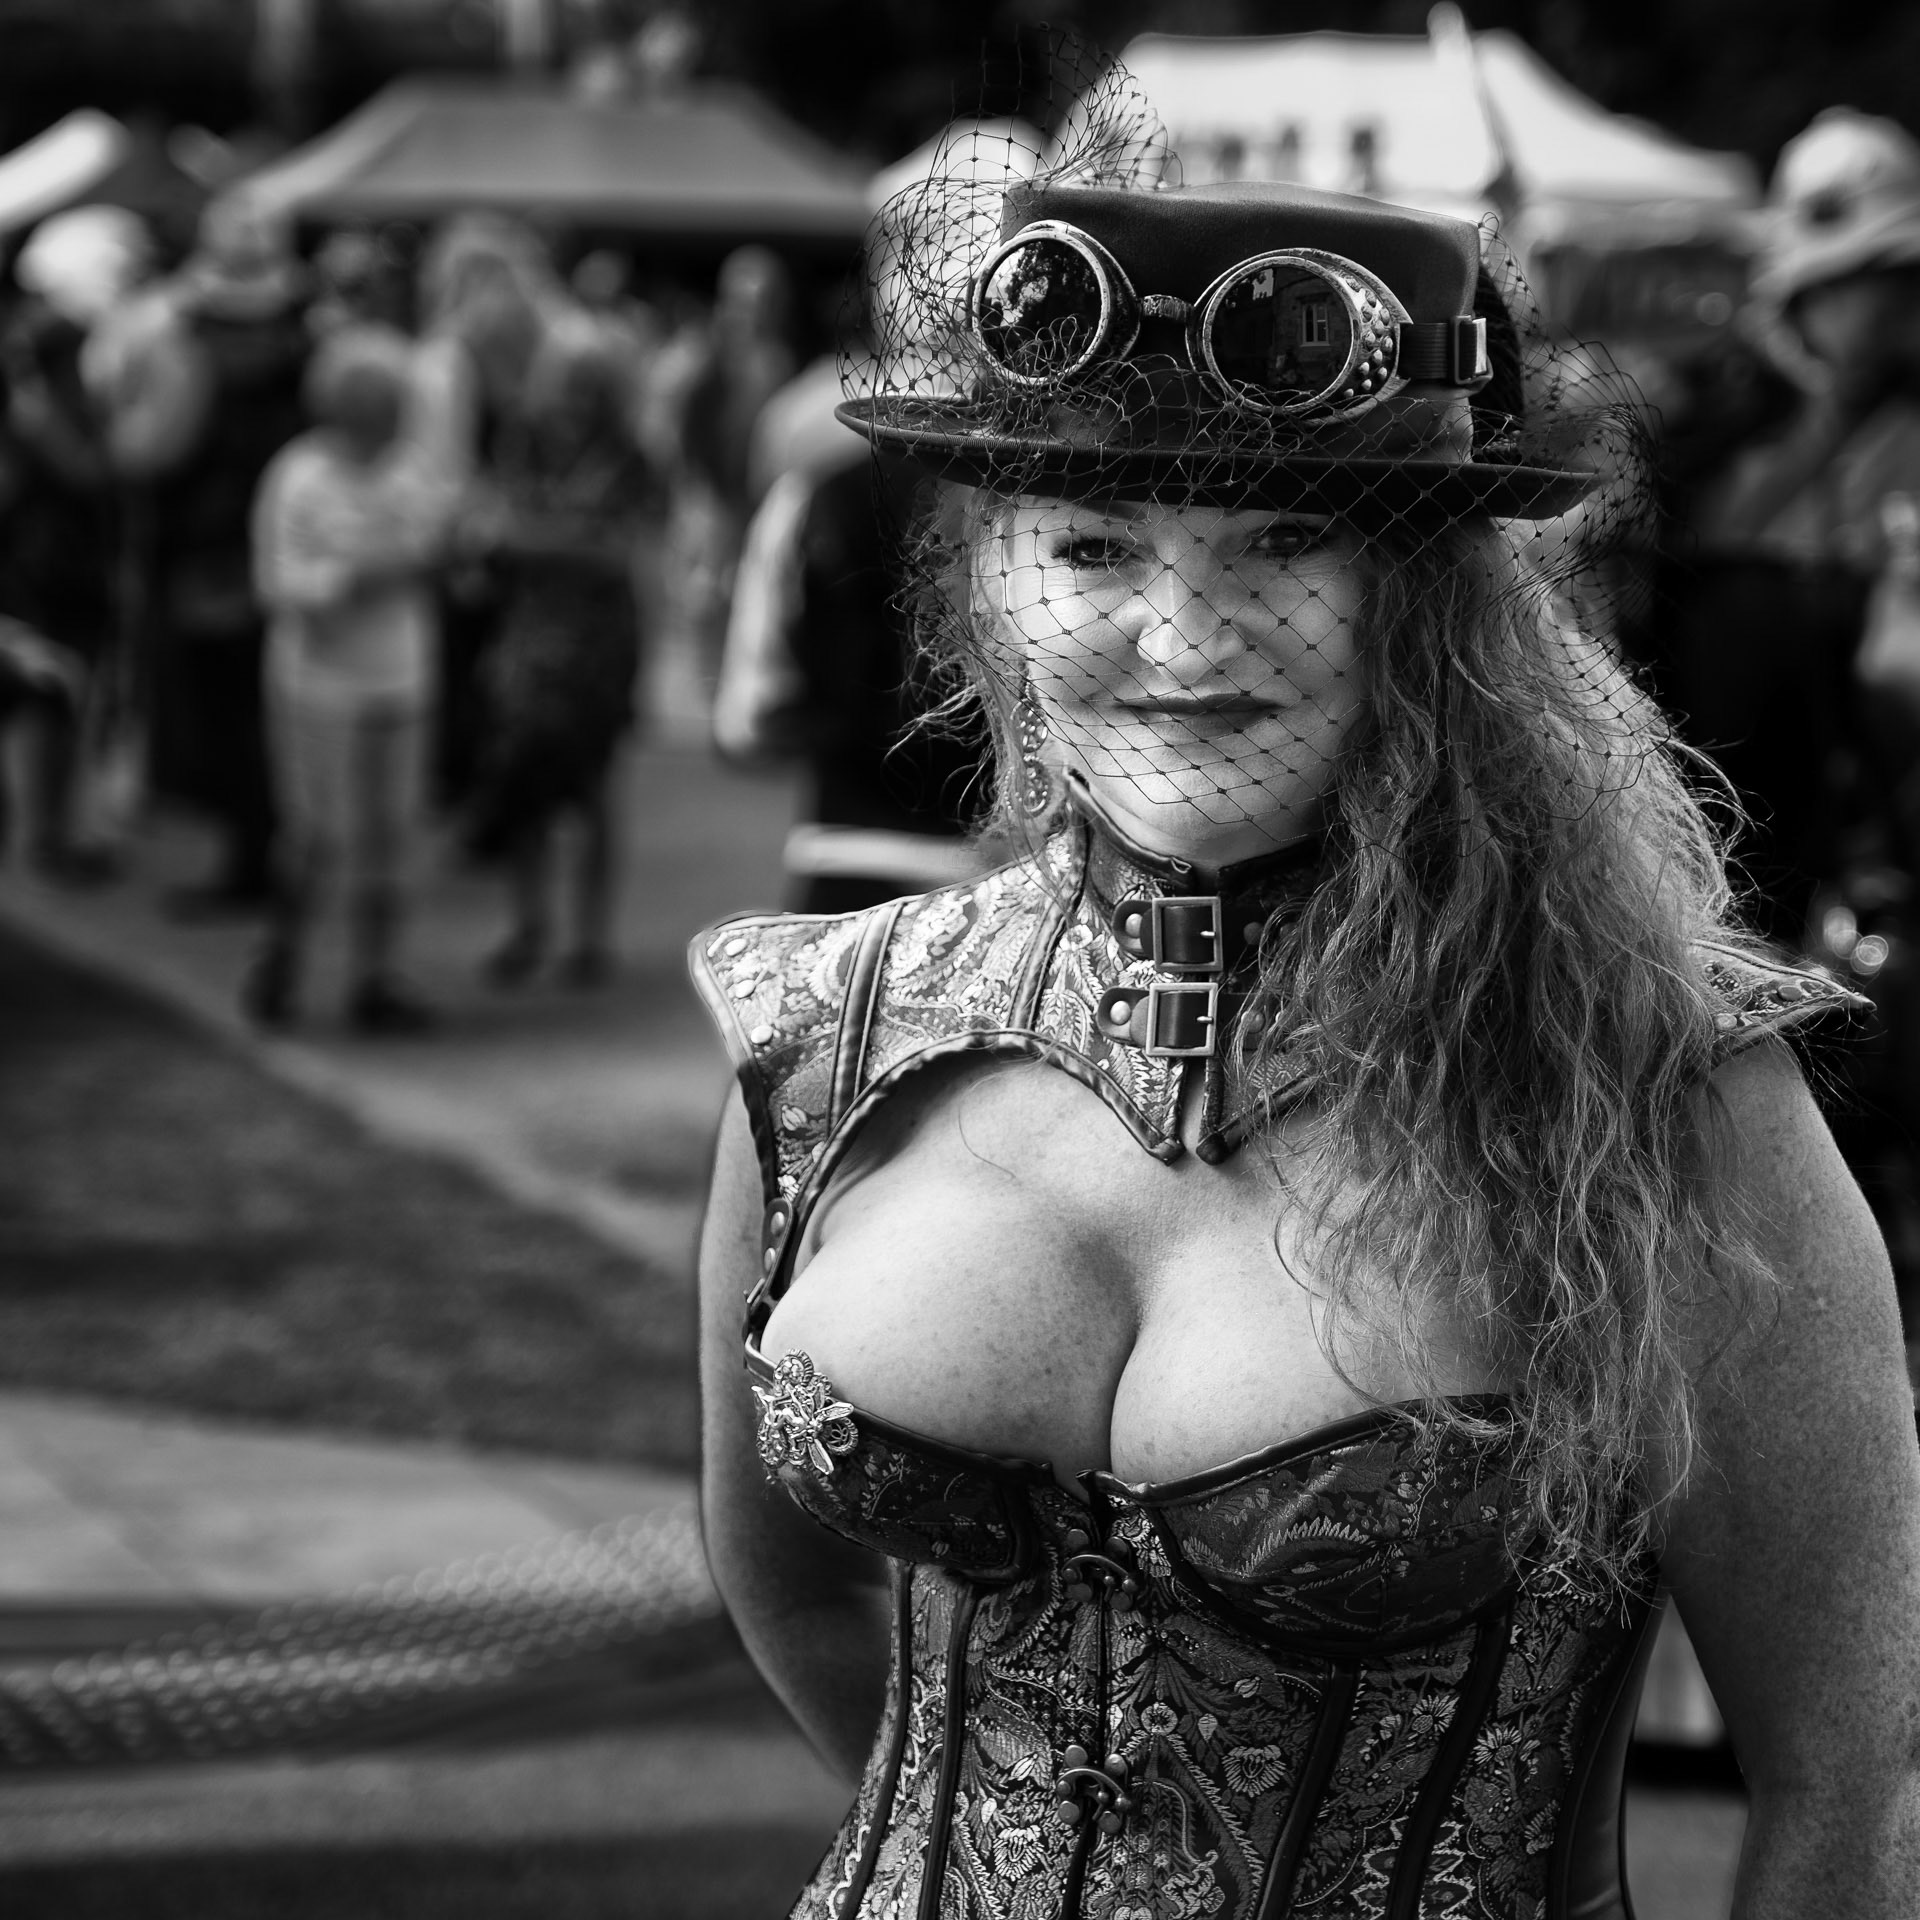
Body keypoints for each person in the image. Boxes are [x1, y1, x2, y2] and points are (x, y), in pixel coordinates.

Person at [689, 92, 1920, 1920]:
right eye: (1093, 547)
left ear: (1423, 604)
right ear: (993, 580)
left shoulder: (1668, 1090)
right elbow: (789, 1586)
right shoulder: (826, 1035)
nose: (1182, 642)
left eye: (1283, 543)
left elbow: (1847, 1789)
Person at [245, 326, 451, 1033]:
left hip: (402, 676)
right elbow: (276, 584)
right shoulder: (297, 477)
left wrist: (434, 552)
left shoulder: (410, 469)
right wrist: (355, 575)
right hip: (318, 682)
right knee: (316, 835)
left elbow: (434, 546)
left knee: (393, 831)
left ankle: (377, 977)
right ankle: (283, 959)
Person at [462, 320, 649, 987]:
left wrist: (537, 538)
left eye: (592, 385)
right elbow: (491, 534)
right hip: (528, 637)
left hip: (600, 644)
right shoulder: (523, 440)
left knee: (595, 788)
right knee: (522, 780)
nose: (578, 398)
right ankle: (529, 926)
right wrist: (570, 539)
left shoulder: (629, 454)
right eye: (570, 383)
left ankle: (591, 937)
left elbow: (617, 554)